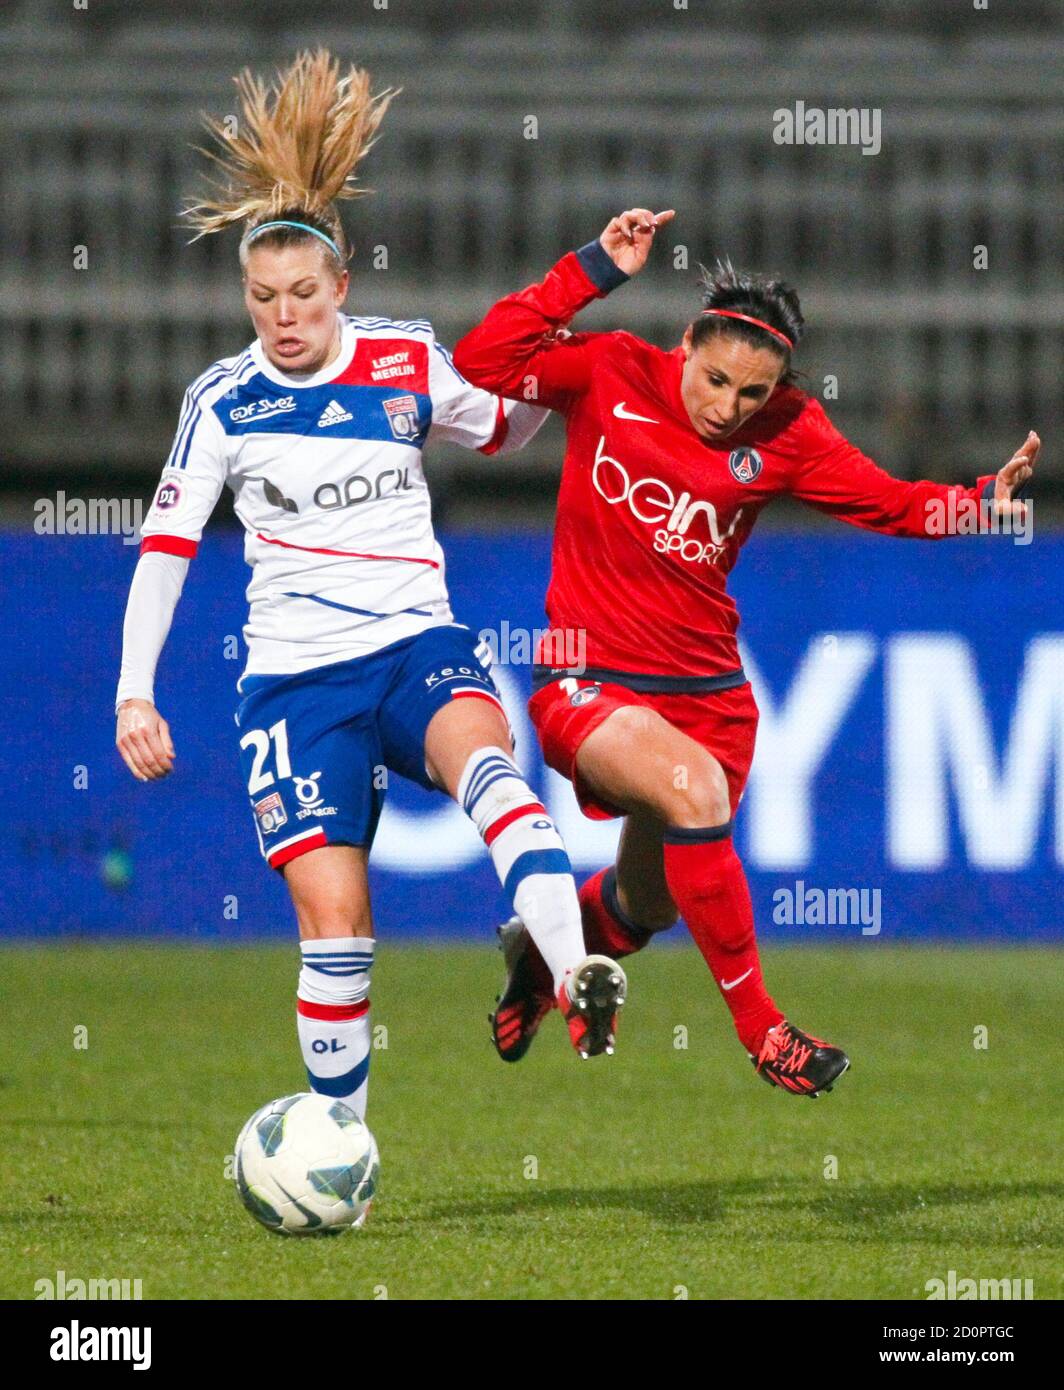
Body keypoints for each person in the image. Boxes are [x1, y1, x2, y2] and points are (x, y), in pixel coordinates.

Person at [113, 52, 629, 1127]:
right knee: (338, 926)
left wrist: (579, 326)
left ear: (340, 285)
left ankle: (574, 965)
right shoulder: (221, 402)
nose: (283, 317)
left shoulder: (400, 359)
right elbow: (165, 548)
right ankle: (339, 1143)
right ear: (245, 297)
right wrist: (134, 691)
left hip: (412, 641)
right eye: (262, 299)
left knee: (486, 762)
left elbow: (504, 421)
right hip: (295, 683)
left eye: (303, 294)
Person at [453, 206, 1038, 1097]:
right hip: (588, 679)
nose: (727, 408)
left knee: (642, 906)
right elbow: (479, 362)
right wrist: (589, 271)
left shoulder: (791, 432)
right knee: (692, 792)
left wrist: (979, 500)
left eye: (752, 394)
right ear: (687, 343)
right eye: (716, 379)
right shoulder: (610, 370)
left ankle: (540, 957)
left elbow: (892, 503)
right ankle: (765, 1034)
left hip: (710, 697)